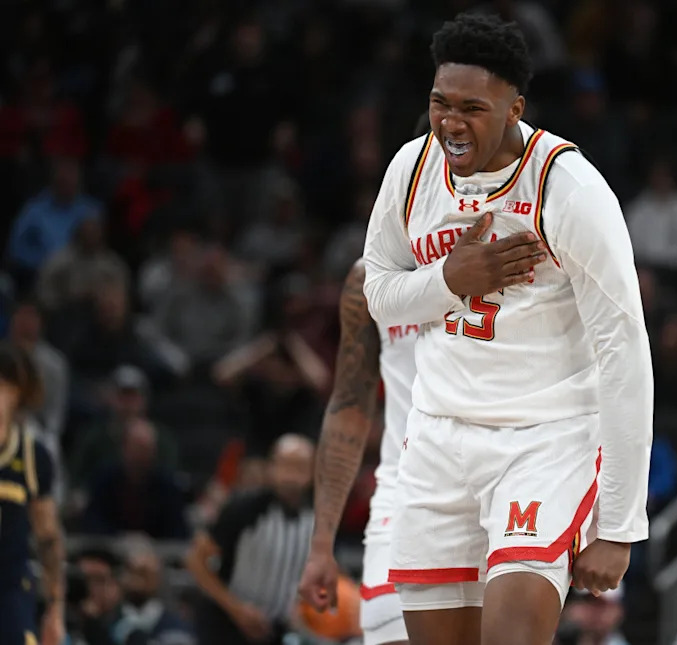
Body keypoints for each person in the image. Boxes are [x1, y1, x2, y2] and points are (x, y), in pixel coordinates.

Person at [361, 13, 653, 645]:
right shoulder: (411, 169)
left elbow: (624, 350)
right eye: (440, 103)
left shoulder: (569, 187)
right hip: (438, 438)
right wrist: (448, 279)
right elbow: (380, 295)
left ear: (514, 108)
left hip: (544, 442)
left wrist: (621, 523)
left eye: (472, 107)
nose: (450, 122)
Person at [298, 259, 417, 645]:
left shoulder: (504, 245)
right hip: (403, 490)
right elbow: (348, 407)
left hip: (495, 483)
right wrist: (321, 545)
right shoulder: (369, 276)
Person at [186, 434, 315, 645]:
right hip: (225, 625)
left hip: (274, 630)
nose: (292, 476)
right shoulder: (244, 508)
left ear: (312, 472)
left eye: (300, 467)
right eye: (286, 466)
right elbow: (195, 560)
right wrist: (236, 608)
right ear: (271, 467)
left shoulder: (316, 519)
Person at [0, 341, 66, 645]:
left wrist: (55, 610)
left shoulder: (31, 456)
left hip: (10, 586)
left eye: (5, 385)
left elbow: (48, 538)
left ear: (20, 394)